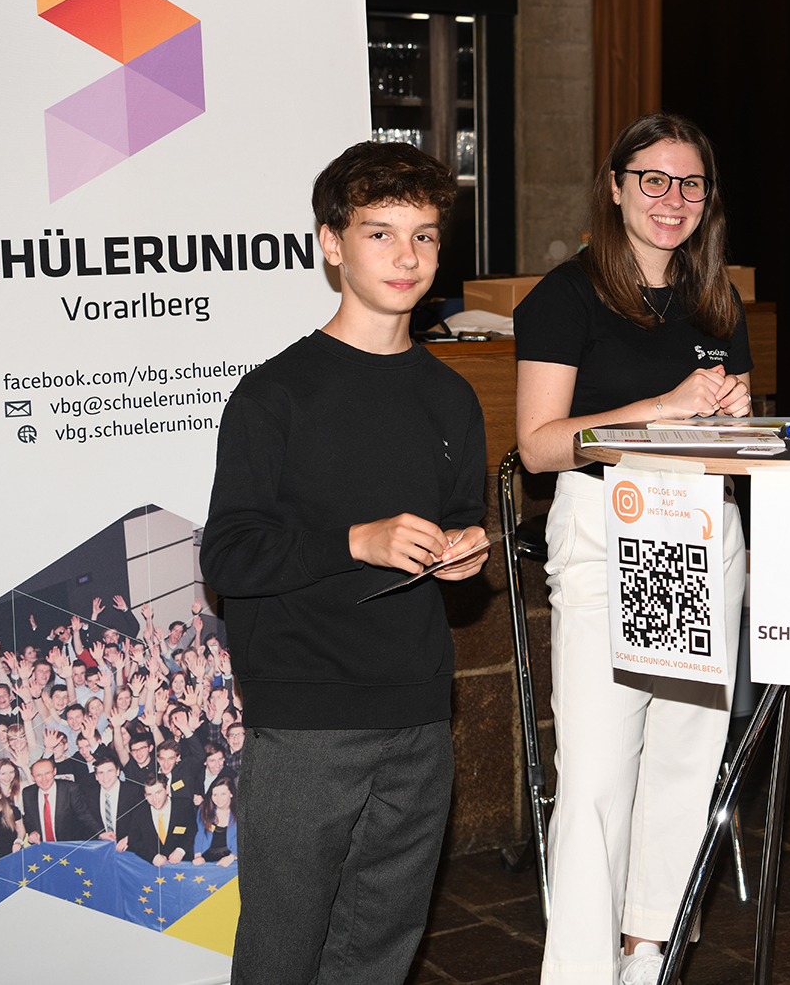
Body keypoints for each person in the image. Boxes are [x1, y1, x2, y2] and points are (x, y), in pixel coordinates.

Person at [199, 141, 490, 985]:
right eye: (380, 233)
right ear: (331, 243)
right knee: (282, 954)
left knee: (380, 950)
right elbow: (228, 556)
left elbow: (462, 523)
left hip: (419, 712)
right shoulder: (274, 395)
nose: (407, 256)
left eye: (425, 235)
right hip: (307, 720)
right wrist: (354, 541)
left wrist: (464, 554)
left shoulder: (451, 396)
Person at [513, 112, 752, 985]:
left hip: (701, 531)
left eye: (690, 183)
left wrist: (735, 417)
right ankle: (582, 970)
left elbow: (732, 437)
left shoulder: (716, 298)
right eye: (653, 179)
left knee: (687, 761)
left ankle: (650, 950)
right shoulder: (565, 296)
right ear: (615, 187)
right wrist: (662, 408)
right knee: (597, 777)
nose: (671, 199)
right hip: (608, 533)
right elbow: (539, 446)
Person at [192, 777, 238, 867]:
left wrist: (232, 856)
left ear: (231, 794)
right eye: (215, 795)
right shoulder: (204, 809)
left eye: (223, 794)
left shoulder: (240, 811)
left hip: (231, 856)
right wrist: (197, 855)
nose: (219, 798)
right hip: (207, 855)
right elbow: (200, 833)